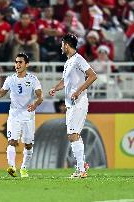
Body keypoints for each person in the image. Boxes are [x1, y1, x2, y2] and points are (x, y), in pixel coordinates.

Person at [49, 34, 97, 178]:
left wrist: (78, 91)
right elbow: (65, 81)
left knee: (72, 135)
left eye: (62, 43)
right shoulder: (68, 61)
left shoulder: (78, 59)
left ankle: (81, 169)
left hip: (79, 102)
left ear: (67, 45)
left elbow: (93, 75)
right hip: (70, 103)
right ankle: (82, 164)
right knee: (74, 134)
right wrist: (55, 88)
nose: (61, 46)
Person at [0, 53, 43, 178]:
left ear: (26, 64)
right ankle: (12, 166)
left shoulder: (33, 79)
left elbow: (40, 96)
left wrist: (35, 104)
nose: (17, 65)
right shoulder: (10, 79)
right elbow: (1, 92)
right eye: (16, 62)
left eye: (20, 62)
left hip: (28, 116)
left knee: (28, 144)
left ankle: (24, 168)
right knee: (12, 141)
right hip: (14, 115)